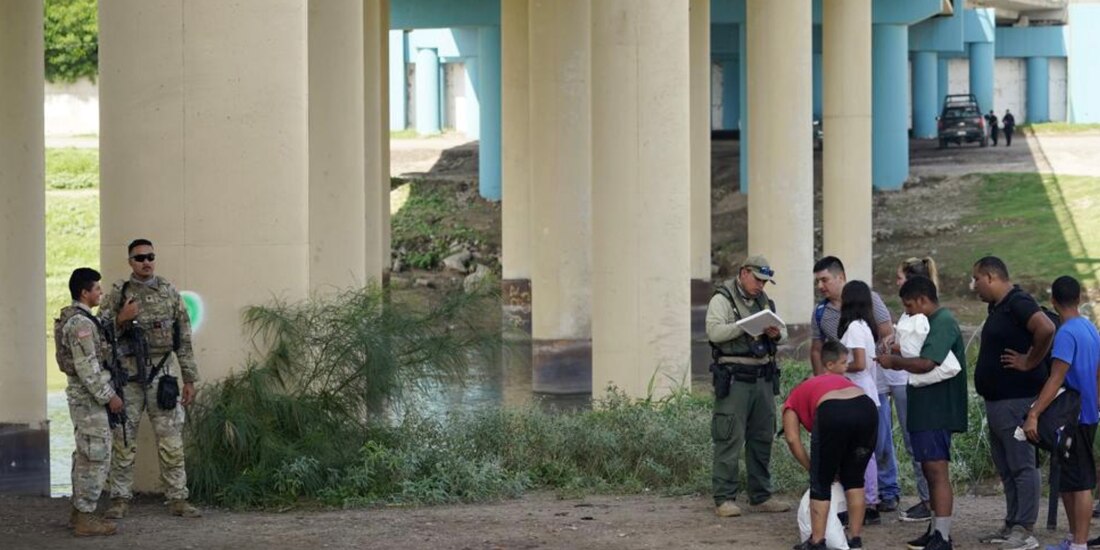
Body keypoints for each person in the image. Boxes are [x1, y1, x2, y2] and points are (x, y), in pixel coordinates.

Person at [101, 239, 202, 519]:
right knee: (123, 439)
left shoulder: (168, 292)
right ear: (130, 262)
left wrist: (189, 378)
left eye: (150, 257)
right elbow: (100, 333)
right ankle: (119, 499)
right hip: (129, 377)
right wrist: (121, 318)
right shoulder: (119, 293)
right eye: (140, 258)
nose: (146, 262)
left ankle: (178, 498)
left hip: (162, 376)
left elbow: (183, 338)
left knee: (171, 439)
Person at [972, 256, 1055, 550]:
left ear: (991, 277)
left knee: (1022, 466)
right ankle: (1011, 522)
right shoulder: (999, 307)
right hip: (997, 402)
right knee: (1006, 467)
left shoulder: (1018, 302)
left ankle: (1025, 528)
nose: (974, 286)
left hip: (1016, 400)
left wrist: (1030, 360)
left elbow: (1046, 328)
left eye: (977, 279)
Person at [879, 276, 968, 550]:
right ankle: (934, 529)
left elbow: (927, 362)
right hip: (925, 408)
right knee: (930, 471)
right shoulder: (928, 322)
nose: (907, 312)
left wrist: (894, 361)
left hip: (936, 409)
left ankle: (943, 536)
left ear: (922, 300)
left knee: (937, 470)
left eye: (909, 306)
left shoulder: (943, 322)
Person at [809, 257, 896, 520]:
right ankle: (864, 498)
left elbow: (873, 347)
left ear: (841, 278)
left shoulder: (861, 317)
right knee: (859, 448)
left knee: (874, 446)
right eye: (817, 282)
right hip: (847, 390)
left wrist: (840, 369)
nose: (821, 286)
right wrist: (825, 381)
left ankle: (879, 496)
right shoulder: (823, 312)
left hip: (866, 388)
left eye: (824, 280)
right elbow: (817, 348)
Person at [707, 255, 790, 517]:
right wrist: (744, 327)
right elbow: (714, 332)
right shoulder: (722, 300)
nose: (760, 286)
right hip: (735, 379)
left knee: (762, 438)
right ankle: (724, 498)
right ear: (744, 273)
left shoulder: (764, 302)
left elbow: (784, 333)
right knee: (729, 437)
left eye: (764, 282)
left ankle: (761, 495)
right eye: (757, 280)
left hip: (763, 377)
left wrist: (776, 333)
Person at [1023, 276, 1100, 550]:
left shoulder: (1066, 333)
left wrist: (1034, 414)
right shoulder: (1090, 328)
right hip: (1088, 413)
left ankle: (1079, 543)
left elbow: (1056, 378)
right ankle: (1073, 538)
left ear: (1053, 301)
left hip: (1072, 417)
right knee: (1070, 479)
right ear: (1078, 299)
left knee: (1080, 483)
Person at [784, 341, 878, 550]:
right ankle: (855, 539)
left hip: (833, 410)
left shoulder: (793, 399)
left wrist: (812, 468)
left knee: (821, 482)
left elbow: (791, 438)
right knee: (854, 479)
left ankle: (817, 541)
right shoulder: (839, 380)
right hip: (866, 408)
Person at [56, 268, 124, 536]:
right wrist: (110, 397)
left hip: (85, 399)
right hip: (89, 400)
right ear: (84, 292)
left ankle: (79, 513)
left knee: (85, 454)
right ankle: (85, 517)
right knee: (95, 455)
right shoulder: (81, 324)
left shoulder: (82, 319)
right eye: (96, 288)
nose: (101, 292)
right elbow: (87, 369)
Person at [893, 257, 940, 522]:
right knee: (916, 445)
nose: (896, 283)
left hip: (911, 380)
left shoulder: (920, 316)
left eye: (899, 278)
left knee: (918, 445)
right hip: (907, 380)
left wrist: (895, 350)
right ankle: (927, 498)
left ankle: (929, 500)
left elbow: (918, 351)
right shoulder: (912, 312)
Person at [837, 281, 884, 523]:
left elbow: (859, 363)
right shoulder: (865, 326)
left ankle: (866, 503)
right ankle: (868, 502)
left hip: (858, 394)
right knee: (864, 451)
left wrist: (836, 368)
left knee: (860, 452)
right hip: (866, 395)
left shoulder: (854, 327)